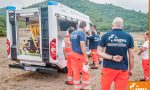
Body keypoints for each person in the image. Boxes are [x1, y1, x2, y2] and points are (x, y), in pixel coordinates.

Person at [97, 17, 134, 90]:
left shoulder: (106, 35)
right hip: (122, 68)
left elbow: (98, 51)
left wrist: (112, 57)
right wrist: (131, 69)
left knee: (105, 88)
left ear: (112, 25)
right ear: (122, 26)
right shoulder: (129, 36)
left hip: (108, 68)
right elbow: (132, 55)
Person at [70, 21, 90, 90]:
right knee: (85, 71)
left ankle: (77, 88)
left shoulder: (72, 33)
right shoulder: (82, 33)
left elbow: (70, 43)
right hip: (80, 55)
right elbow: (82, 45)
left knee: (76, 72)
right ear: (84, 27)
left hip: (73, 54)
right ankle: (86, 88)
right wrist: (86, 57)